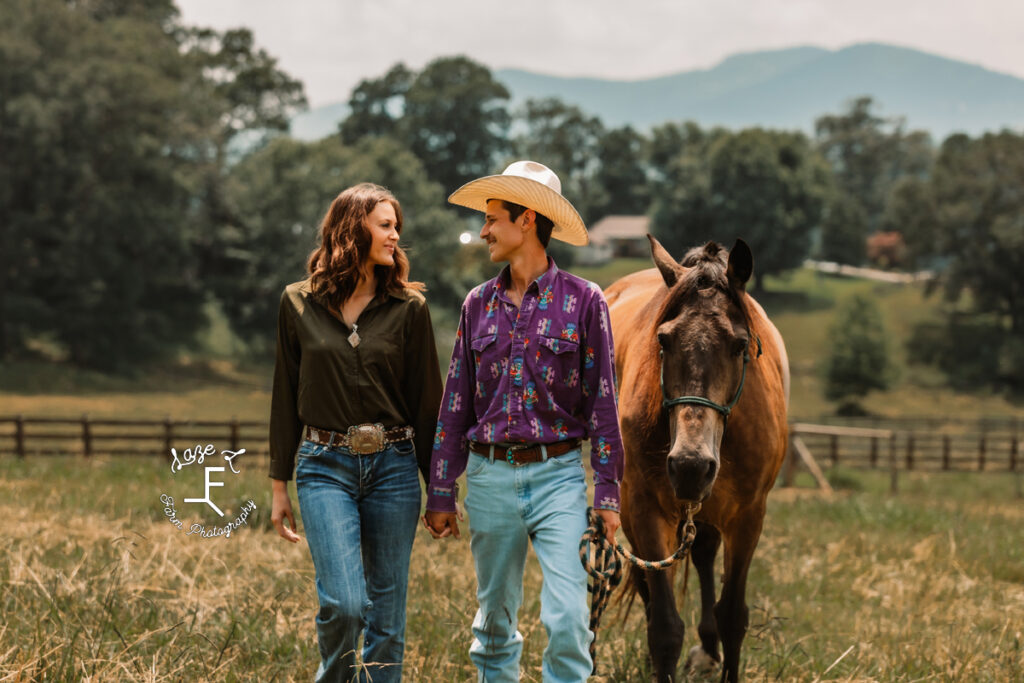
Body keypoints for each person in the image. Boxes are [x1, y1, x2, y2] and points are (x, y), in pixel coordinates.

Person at [423, 161, 624, 682]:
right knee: (493, 625)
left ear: (527, 220)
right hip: (489, 478)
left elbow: (603, 402)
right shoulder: (477, 305)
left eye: (493, 218)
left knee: (569, 620)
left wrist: (606, 493)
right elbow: (455, 402)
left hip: (558, 477)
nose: (484, 230)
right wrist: (442, 489)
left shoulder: (586, 302)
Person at [269, 182, 442, 682]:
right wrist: (279, 485)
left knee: (387, 616)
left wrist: (441, 492)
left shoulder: (409, 307)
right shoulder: (296, 303)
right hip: (324, 468)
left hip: (394, 468)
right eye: (385, 226)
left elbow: (426, 403)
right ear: (353, 229)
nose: (395, 237)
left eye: (396, 228)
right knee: (344, 604)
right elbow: (284, 396)